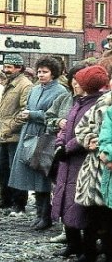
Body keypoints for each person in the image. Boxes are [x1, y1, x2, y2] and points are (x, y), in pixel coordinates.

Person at [53, 65, 107, 260]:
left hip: (81, 162)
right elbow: (66, 127)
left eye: (78, 81)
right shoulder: (77, 102)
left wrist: (68, 148)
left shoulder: (96, 105)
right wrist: (60, 143)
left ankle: (86, 247)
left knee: (80, 208)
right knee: (66, 202)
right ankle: (73, 243)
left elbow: (89, 133)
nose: (74, 84)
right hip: (67, 161)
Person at [9, 56, 67, 230]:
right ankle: (38, 213)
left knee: (43, 177)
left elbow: (55, 116)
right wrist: (24, 114)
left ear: (53, 73)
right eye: (39, 71)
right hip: (29, 134)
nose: (41, 75)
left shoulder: (60, 92)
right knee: (32, 176)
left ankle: (46, 215)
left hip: (45, 137)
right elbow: (27, 107)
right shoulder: (34, 89)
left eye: (45, 72)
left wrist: (33, 114)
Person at [0, 53, 33, 213]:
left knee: (16, 171)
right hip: (4, 135)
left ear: (19, 68)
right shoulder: (11, 83)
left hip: (14, 135)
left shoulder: (25, 85)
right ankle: (5, 199)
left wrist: (10, 127)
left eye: (9, 67)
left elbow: (24, 112)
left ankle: (19, 203)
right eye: (5, 66)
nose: (6, 70)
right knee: (3, 170)